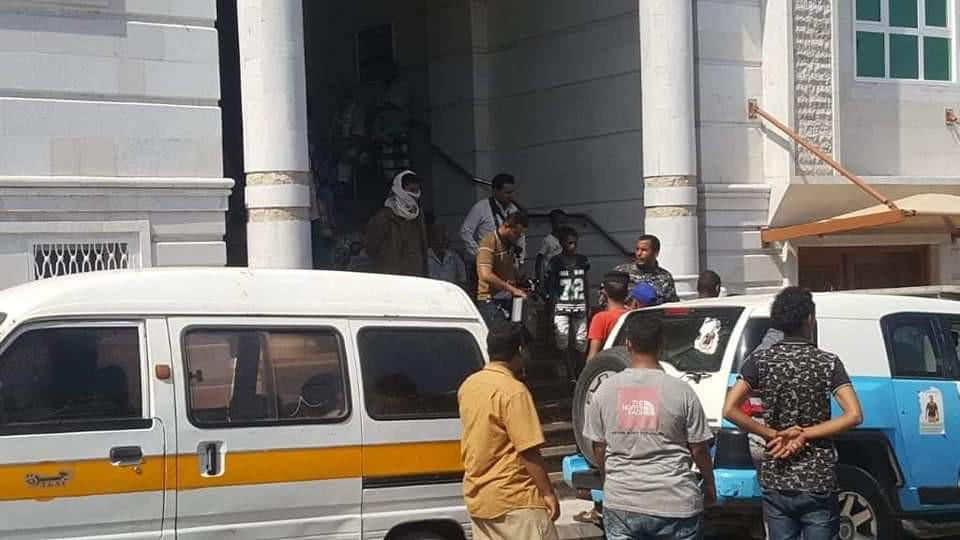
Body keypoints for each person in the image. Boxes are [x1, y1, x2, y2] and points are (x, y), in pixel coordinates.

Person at [723, 287, 863, 540]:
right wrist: (804, 434)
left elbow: (730, 409)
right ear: (810, 319)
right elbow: (853, 415)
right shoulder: (828, 362)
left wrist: (771, 434)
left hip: (777, 473)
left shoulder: (759, 361)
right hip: (816, 476)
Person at [583, 316, 716, 540]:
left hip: (621, 503)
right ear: (662, 344)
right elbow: (699, 449)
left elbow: (599, 448)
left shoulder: (604, 390)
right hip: (676, 501)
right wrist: (710, 485)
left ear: (628, 344)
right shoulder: (682, 391)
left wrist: (608, 481)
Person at [458, 323, 560, 540]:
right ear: (520, 350)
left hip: (480, 497)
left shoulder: (469, 385)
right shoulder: (514, 391)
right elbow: (528, 450)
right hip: (516, 499)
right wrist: (548, 493)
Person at [460, 174, 523, 293]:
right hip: (486, 262)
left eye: (512, 192)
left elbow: (520, 236)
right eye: (507, 192)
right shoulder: (481, 207)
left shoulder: (513, 209)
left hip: (506, 262)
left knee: (508, 293)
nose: (511, 196)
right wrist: (479, 254)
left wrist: (521, 259)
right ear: (495, 191)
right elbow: (465, 231)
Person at [544, 226, 590, 380]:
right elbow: (551, 285)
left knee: (581, 339)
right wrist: (551, 306)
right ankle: (571, 373)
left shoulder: (582, 260)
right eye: (569, 243)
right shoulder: (555, 262)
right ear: (562, 243)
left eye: (575, 243)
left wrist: (588, 302)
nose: (573, 246)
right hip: (561, 304)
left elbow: (585, 281)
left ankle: (579, 370)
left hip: (579, 303)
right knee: (561, 338)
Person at [364, 170, 427, 276]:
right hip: (392, 277)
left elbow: (422, 246)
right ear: (399, 189)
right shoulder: (383, 218)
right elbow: (370, 248)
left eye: (417, 190)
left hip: (415, 277)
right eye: (411, 190)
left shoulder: (419, 216)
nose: (415, 195)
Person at [476, 212, 529, 327]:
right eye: (516, 233)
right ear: (506, 226)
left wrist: (520, 277)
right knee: (500, 334)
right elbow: (486, 275)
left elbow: (507, 268)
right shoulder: (489, 242)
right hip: (490, 300)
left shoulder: (509, 244)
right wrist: (513, 290)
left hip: (506, 298)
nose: (517, 237)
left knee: (514, 332)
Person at [614, 235, 679, 304]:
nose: (639, 253)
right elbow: (609, 300)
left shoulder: (665, 277)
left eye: (644, 250)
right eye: (637, 249)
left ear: (656, 252)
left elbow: (671, 304)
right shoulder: (621, 272)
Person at [586, 272, 630, 361]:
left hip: (608, 365)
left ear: (604, 292)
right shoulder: (633, 315)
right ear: (627, 292)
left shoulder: (600, 318)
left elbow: (593, 355)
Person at [536, 209, 567, 285]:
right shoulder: (548, 240)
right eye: (560, 222)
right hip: (551, 275)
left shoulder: (566, 239)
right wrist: (539, 278)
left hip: (564, 274)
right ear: (552, 223)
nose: (563, 225)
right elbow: (539, 259)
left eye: (564, 222)